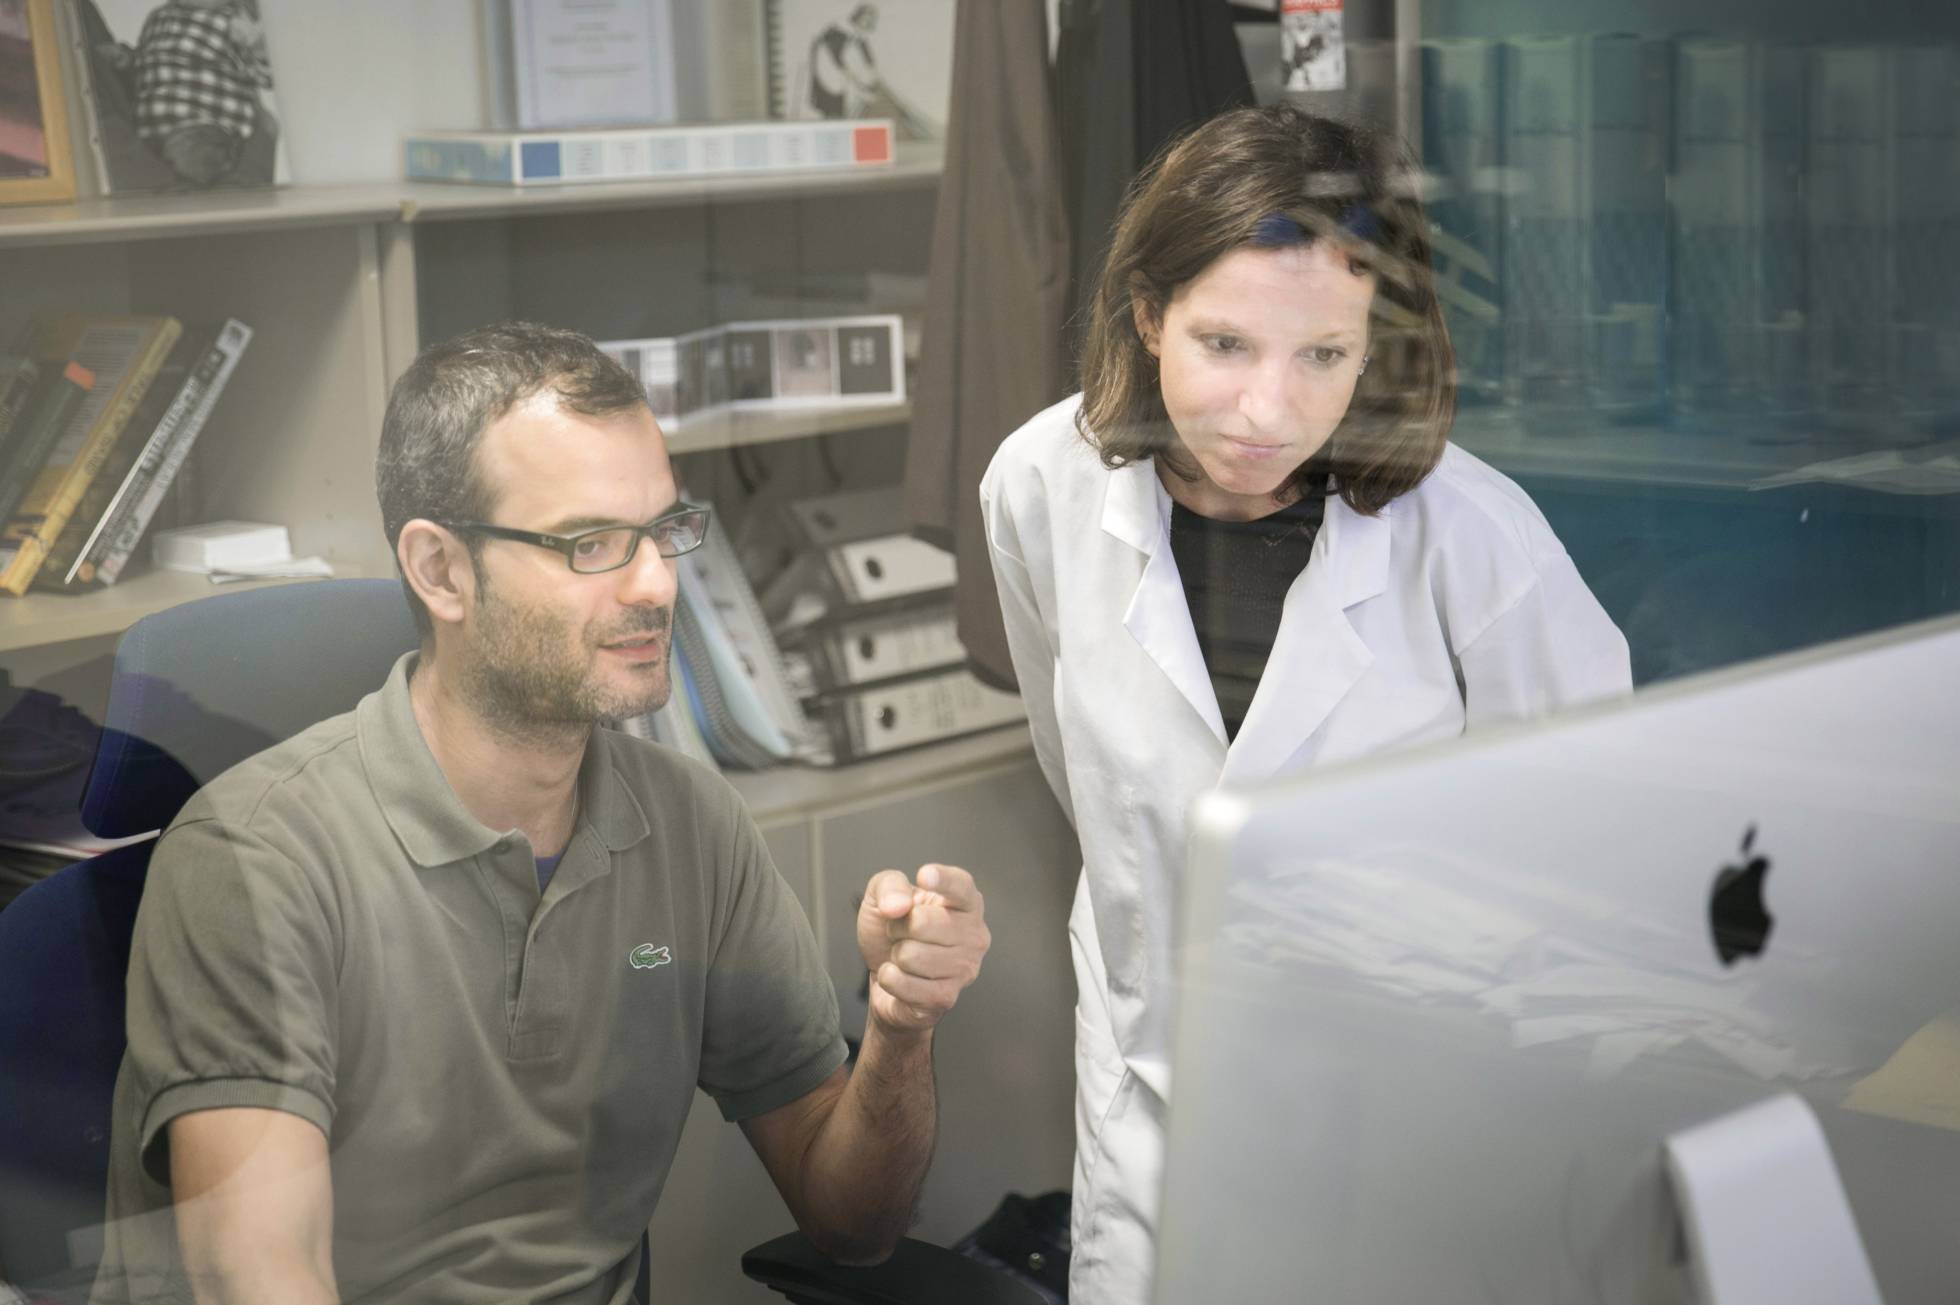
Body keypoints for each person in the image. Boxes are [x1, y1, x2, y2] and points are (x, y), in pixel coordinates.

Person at [91, 322, 992, 1304]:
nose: (656, 583)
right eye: (591, 544)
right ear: (440, 571)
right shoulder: (253, 861)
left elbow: (851, 1227)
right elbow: (257, 1282)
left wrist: (900, 1029)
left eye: (664, 530)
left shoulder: (691, 826)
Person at [979, 105, 1632, 1303]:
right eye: (1224, 345)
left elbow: (1595, 862)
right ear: (1145, 313)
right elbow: (1079, 773)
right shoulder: (1039, 486)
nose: (1266, 411)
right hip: (1152, 1101)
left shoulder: (1474, 543)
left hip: (1410, 1123)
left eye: (1322, 356)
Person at [131, 0, 277, 186]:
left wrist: (256, 46)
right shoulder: (158, 17)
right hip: (150, 132)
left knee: (192, 166)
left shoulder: (234, 22)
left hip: (205, 128)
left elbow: (266, 77)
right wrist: (125, 58)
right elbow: (148, 60)